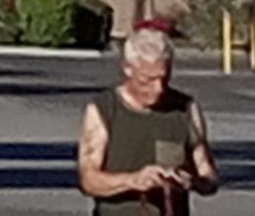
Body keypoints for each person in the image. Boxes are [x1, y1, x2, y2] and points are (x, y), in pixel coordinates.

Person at [79, 22, 221, 205]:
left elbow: (208, 176)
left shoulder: (185, 109)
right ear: (128, 68)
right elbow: (88, 180)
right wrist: (134, 180)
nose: (158, 88)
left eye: (164, 78)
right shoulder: (103, 110)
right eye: (148, 79)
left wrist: (191, 181)